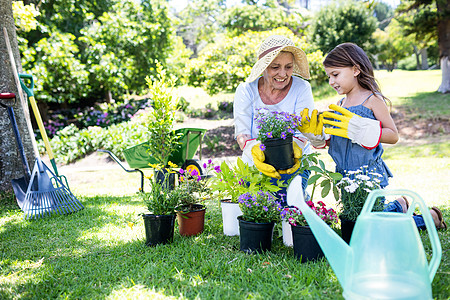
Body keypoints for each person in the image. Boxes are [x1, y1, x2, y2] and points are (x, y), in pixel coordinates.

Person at [298, 42, 446, 230]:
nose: (331, 82)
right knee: (356, 218)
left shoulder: (372, 99)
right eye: (329, 76)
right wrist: (318, 137)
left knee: (371, 227)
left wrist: (364, 131)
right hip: (345, 175)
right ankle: (397, 206)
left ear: (356, 70)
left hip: (368, 175)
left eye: (335, 75)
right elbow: (339, 138)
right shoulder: (341, 103)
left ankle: (428, 219)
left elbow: (393, 135)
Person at [233, 35, 314, 203]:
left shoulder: (302, 88)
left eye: (288, 67)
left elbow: (303, 133)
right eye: (275, 67)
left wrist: (290, 154)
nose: (282, 74)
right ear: (263, 67)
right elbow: (243, 135)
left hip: (293, 164)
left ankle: (299, 198)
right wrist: (258, 156)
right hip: (254, 164)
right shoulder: (246, 90)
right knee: (255, 209)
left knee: (288, 206)